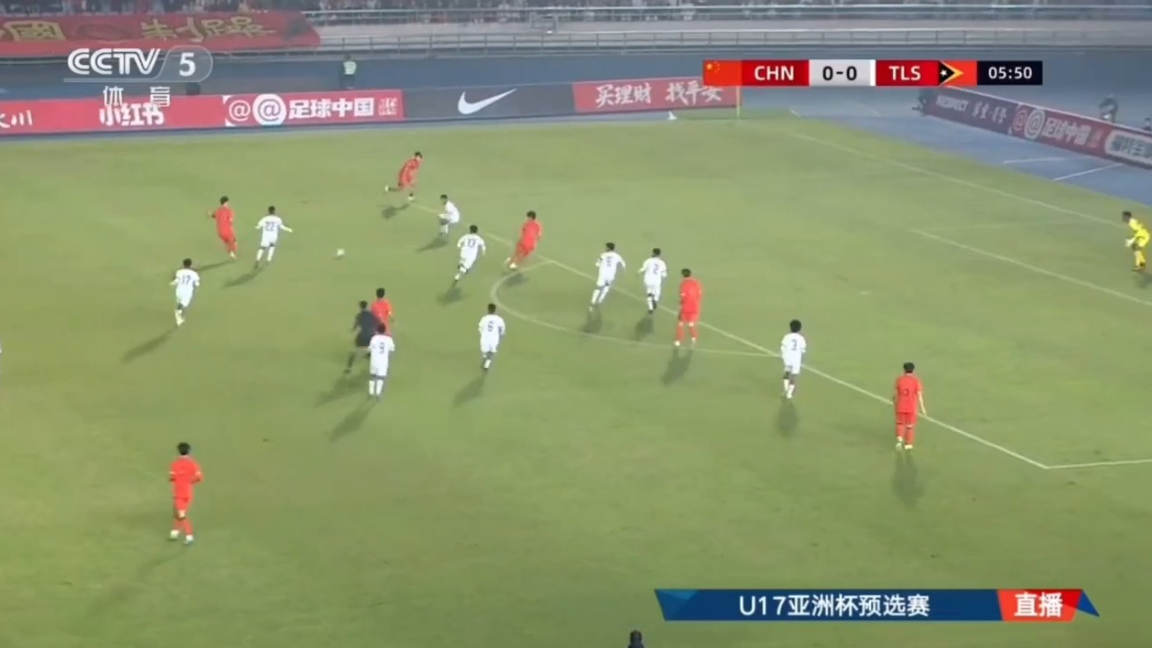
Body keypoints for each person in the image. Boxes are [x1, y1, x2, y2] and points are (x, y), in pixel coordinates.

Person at [169, 442, 202, 546]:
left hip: (179, 493)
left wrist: (178, 479)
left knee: (181, 514)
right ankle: (174, 532)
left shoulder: (175, 464)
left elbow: (171, 478)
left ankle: (189, 535)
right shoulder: (193, 464)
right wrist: (189, 482)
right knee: (179, 513)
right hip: (188, 493)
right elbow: (199, 478)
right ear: (189, 451)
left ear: (178, 451)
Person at [894, 362, 926, 450]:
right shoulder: (916, 381)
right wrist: (923, 408)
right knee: (910, 426)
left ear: (904, 370)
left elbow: (895, 394)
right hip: (911, 407)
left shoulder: (899, 380)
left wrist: (894, 402)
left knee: (900, 423)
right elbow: (919, 395)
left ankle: (900, 438)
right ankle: (908, 444)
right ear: (913, 370)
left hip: (900, 406)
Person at [589, 242, 626, 311]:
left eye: (606, 247)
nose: (605, 248)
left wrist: (598, 266)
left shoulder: (603, 255)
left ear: (608, 248)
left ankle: (593, 302)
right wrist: (622, 269)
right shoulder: (617, 256)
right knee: (607, 286)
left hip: (603, 274)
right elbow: (623, 264)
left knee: (598, 288)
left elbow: (597, 264)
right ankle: (600, 301)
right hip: (611, 275)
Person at [347, 300, 380, 373]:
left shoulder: (359, 316)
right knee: (374, 348)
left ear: (360, 307)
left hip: (362, 337)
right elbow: (378, 323)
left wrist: (351, 330)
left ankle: (349, 367)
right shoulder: (373, 315)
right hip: (371, 336)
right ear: (367, 306)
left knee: (354, 351)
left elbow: (355, 327)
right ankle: (375, 366)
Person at [780, 319, 807, 400]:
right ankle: (789, 394)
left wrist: (783, 355)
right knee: (794, 376)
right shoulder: (801, 338)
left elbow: (782, 346)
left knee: (786, 373)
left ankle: (785, 389)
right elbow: (803, 350)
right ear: (799, 328)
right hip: (796, 359)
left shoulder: (787, 337)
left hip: (787, 357)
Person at [368, 324, 395, 399]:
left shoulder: (374, 338)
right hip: (383, 362)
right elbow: (392, 350)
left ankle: (371, 392)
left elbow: (370, 349)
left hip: (374, 360)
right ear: (385, 331)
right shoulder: (389, 339)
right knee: (381, 377)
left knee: (372, 376)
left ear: (377, 330)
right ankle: (378, 393)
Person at [675, 268, 701, 347]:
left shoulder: (683, 284)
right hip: (695, 307)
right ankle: (693, 338)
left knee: (680, 324)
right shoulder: (696, 282)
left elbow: (682, 296)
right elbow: (699, 294)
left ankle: (678, 341)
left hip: (686, 307)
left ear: (683, 275)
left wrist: (680, 305)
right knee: (691, 324)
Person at [171, 258, 200, 327]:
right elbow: (197, 284)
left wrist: (173, 282)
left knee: (180, 303)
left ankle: (179, 317)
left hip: (178, 290)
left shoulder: (179, 271)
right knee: (183, 304)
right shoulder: (194, 274)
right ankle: (178, 314)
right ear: (191, 265)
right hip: (187, 291)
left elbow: (176, 280)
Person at [477, 303, 506, 372]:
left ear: (488, 309)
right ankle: (487, 364)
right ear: (495, 310)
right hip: (494, 338)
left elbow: (480, 328)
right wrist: (501, 334)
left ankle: (485, 355)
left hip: (485, 338)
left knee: (485, 351)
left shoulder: (484, 318)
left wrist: (482, 333)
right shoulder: (499, 319)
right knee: (492, 352)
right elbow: (502, 328)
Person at [639, 247, 668, 314]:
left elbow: (643, 269)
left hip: (648, 279)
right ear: (659, 254)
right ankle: (655, 300)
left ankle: (650, 308)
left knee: (649, 293)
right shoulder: (662, 263)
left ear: (653, 253)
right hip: (656, 280)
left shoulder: (648, 260)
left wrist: (639, 272)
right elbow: (664, 275)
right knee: (657, 292)